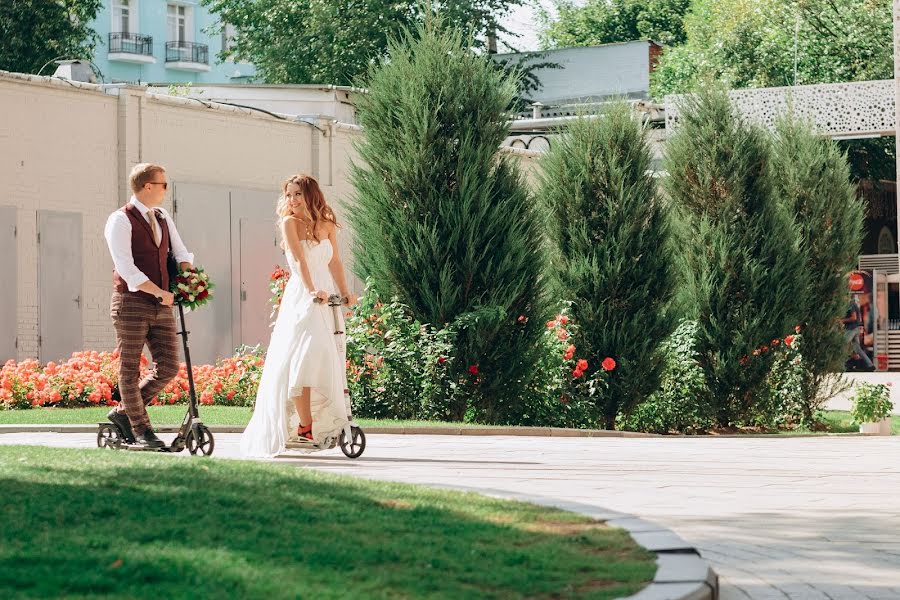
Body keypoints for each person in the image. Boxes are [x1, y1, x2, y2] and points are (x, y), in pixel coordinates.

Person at [241, 174, 358, 457]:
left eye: (297, 194)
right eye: (288, 195)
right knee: (303, 356)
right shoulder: (289, 223)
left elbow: (336, 262)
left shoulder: (327, 224)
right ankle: (305, 425)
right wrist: (311, 291)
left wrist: (346, 293)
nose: (292, 200)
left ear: (310, 195)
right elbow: (301, 262)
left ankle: (314, 424)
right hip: (303, 297)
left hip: (326, 296)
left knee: (324, 357)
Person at [104, 163, 194, 447]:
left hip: (161, 303)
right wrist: (159, 292)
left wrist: (189, 277)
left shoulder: (162, 216)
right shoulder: (120, 220)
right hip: (131, 303)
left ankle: (123, 413)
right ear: (147, 187)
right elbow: (127, 269)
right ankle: (142, 430)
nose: (166, 189)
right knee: (129, 370)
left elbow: (179, 251)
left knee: (168, 367)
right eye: (163, 184)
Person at [843, 296, 875, 371]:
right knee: (858, 349)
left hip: (851, 329)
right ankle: (870, 365)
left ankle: (843, 366)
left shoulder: (851, 304)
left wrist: (842, 320)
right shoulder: (853, 304)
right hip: (855, 328)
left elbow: (854, 317)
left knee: (842, 345)